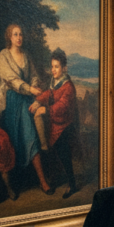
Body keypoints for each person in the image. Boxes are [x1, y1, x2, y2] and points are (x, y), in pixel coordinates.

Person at [0, 24, 51, 196]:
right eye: (15, 34)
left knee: (30, 136)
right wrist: (29, 89)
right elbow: (9, 79)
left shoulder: (26, 55)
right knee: (12, 140)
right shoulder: (3, 55)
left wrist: (33, 86)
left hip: (25, 101)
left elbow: (33, 75)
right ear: (9, 37)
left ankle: (42, 181)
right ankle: (14, 185)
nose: (19, 37)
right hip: (10, 102)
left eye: (21, 34)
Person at [30, 48, 81, 198]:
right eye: (52, 66)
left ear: (64, 68)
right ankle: (55, 178)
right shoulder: (55, 83)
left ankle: (72, 184)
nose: (53, 70)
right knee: (53, 153)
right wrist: (38, 101)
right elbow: (49, 94)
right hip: (55, 124)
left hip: (66, 125)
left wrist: (45, 110)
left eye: (56, 67)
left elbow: (63, 106)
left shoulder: (68, 86)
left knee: (64, 154)